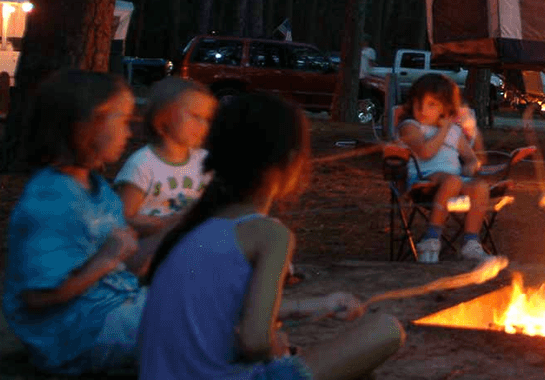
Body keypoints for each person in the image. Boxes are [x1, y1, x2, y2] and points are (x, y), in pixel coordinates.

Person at [138, 92, 404, 380]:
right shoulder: (269, 235)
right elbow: (254, 342)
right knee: (386, 329)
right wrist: (275, 348)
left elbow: (223, 311)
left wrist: (317, 305)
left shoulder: (193, 228)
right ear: (291, 161)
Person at [2, 69, 147, 375]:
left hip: (112, 311)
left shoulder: (99, 189)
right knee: (196, 326)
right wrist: (107, 258)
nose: (129, 133)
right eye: (122, 120)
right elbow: (38, 296)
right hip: (75, 333)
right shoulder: (50, 199)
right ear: (86, 125)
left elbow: (121, 262)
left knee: (202, 301)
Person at [114, 77, 216, 273]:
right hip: (149, 251)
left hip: (191, 248)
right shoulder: (143, 164)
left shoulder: (204, 161)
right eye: (194, 116)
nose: (202, 124)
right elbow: (122, 218)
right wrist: (167, 222)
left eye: (206, 118)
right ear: (163, 120)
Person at [397, 73, 494, 263]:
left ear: (446, 107)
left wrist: (471, 167)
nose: (422, 109)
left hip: (453, 181)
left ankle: (471, 243)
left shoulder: (455, 132)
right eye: (419, 102)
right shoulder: (410, 126)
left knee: (480, 187)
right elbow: (425, 152)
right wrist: (443, 130)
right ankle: (431, 238)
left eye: (432, 104)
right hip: (421, 180)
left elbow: (471, 159)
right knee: (453, 180)